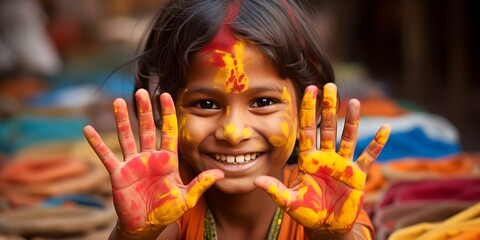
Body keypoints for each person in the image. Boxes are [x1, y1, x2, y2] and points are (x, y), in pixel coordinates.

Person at [83, 0, 391, 239]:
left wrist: (332, 238)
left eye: (263, 102)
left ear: (306, 110)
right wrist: (133, 234)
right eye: (206, 104)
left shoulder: (327, 204)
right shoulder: (170, 204)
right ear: (168, 110)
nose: (233, 132)